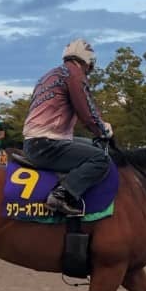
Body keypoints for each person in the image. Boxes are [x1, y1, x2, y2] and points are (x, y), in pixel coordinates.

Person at [23, 38, 113, 215]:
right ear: (88, 62)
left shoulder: (48, 76)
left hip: (35, 141)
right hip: (48, 144)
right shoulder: (75, 74)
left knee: (93, 145)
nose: (89, 71)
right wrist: (104, 131)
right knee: (101, 158)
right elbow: (87, 112)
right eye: (90, 67)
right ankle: (61, 195)